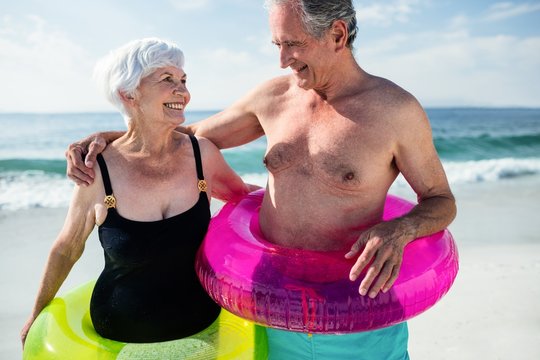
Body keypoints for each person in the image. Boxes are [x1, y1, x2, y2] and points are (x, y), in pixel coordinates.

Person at [65, 0, 457, 358]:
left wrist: (401, 229)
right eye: (277, 46)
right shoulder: (273, 98)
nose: (283, 60)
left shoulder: (395, 111)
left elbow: (440, 199)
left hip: (359, 311)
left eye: (292, 44)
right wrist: (113, 139)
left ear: (337, 34)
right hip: (274, 308)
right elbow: (182, 138)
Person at [21, 38, 257, 347]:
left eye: (183, 80)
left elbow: (246, 200)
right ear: (128, 94)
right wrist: (35, 316)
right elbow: (67, 248)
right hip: (120, 334)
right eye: (167, 79)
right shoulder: (97, 170)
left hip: (202, 327)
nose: (182, 91)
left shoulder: (202, 155)